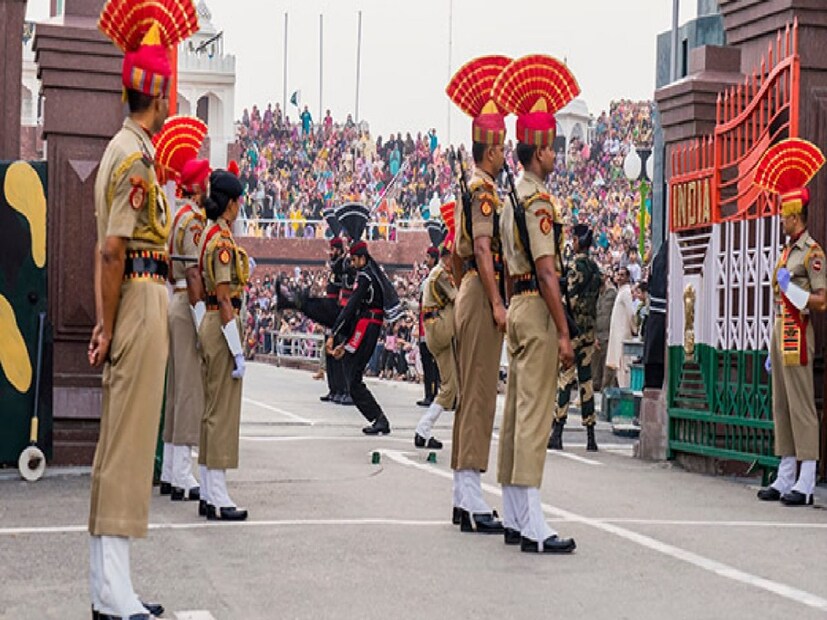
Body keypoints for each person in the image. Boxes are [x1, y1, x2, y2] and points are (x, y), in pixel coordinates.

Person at [87, 3, 197, 616]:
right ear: (156, 94)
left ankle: (111, 585)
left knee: (121, 446)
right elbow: (111, 250)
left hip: (135, 298)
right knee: (128, 448)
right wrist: (108, 322)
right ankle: (112, 591)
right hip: (137, 298)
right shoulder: (134, 157)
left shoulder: (125, 149)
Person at [493, 53, 577, 554]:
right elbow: (548, 270)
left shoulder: (511, 200)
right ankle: (533, 523)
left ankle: (513, 511)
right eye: (552, 148)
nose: (556, 156)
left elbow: (507, 265)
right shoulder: (539, 201)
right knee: (535, 415)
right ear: (539, 149)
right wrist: (564, 330)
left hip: (516, 307)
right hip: (538, 310)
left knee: (516, 413)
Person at [445, 55, 510, 534]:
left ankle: (462, 496)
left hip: (467, 287)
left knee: (472, 394)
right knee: (480, 395)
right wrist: (494, 302)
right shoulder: (484, 191)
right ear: (491, 150)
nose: (507, 153)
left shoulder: (472, 188)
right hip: (481, 290)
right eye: (504, 146)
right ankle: (469, 498)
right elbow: (484, 249)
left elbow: (456, 255)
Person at [754, 138, 826, 507]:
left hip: (800, 331)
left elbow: (821, 299)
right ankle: (785, 475)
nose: (781, 219)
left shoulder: (812, 254)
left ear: (796, 214)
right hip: (782, 331)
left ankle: (807, 478)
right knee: (781, 405)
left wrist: (794, 294)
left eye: (785, 214)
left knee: (800, 406)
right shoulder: (787, 252)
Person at [197, 169, 250, 521]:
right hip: (222, 323)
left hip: (211, 322)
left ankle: (206, 490)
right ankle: (218, 495)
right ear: (231, 204)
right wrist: (237, 347)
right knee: (222, 413)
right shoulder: (223, 244)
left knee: (210, 409)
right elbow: (225, 297)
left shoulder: (208, 235)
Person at [162, 155, 211, 502]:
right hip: (187, 302)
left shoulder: (177, 217)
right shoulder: (193, 221)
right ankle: (181, 473)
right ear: (197, 187)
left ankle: (169, 470)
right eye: (205, 182)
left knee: (175, 389)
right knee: (188, 390)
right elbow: (194, 272)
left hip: (175, 299)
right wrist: (200, 316)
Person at [328, 202, 400, 434]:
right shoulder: (368, 274)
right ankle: (378, 418)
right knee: (352, 373)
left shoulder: (366, 278)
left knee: (354, 376)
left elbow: (351, 306)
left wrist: (335, 331)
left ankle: (379, 418)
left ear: (360, 258)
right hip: (365, 325)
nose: (352, 264)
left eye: (353, 260)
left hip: (368, 326)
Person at [550, 223, 601, 451]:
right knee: (586, 382)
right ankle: (590, 435)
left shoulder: (574, 266)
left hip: (573, 331)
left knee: (565, 380)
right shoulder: (595, 268)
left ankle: (558, 432)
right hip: (589, 330)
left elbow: (566, 299)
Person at [414, 225, 458, 449]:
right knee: (450, 387)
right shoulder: (440, 273)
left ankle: (424, 430)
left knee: (451, 385)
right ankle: (423, 428)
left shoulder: (435, 273)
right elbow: (457, 298)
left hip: (433, 330)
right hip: (440, 329)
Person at [417, 235, 442, 407]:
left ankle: (433, 394)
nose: (425, 260)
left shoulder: (435, 278)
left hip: (431, 325)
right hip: (422, 324)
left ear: (433, 259)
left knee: (432, 364)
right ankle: (428, 394)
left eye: (428, 257)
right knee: (426, 362)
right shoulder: (427, 278)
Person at [604, 266, 636, 388]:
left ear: (628, 277)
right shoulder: (621, 291)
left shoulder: (626, 292)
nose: (619, 277)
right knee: (619, 367)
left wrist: (634, 330)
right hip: (618, 334)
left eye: (623, 275)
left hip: (624, 335)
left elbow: (631, 313)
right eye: (618, 275)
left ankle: (626, 392)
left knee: (624, 367)